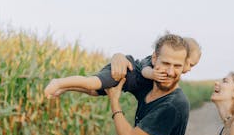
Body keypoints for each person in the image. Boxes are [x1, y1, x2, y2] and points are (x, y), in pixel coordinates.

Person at [43, 37, 201, 98]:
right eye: (190, 64)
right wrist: (153, 74)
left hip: (127, 83)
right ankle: (59, 82)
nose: (189, 69)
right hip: (125, 71)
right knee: (92, 82)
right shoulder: (152, 64)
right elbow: (145, 71)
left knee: (93, 92)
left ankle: (65, 88)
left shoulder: (168, 71)